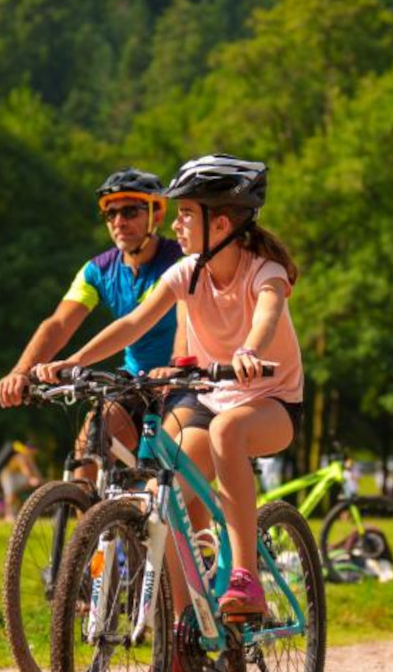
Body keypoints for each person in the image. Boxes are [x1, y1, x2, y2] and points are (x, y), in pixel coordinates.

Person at [37, 154, 304, 620]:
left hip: (269, 401)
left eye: (185, 214)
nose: (175, 224)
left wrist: (248, 352)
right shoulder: (186, 272)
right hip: (213, 399)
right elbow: (135, 323)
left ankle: (246, 577)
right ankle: (183, 624)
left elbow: (266, 314)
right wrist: (74, 361)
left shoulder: (265, 272)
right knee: (170, 491)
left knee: (227, 434)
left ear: (219, 224)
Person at [0, 168, 185, 485]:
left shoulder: (181, 261)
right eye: (110, 214)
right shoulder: (98, 270)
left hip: (183, 380)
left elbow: (138, 323)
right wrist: (22, 370)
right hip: (135, 382)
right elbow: (58, 323)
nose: (118, 222)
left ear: (155, 214)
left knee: (173, 485)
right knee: (87, 455)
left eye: (130, 211)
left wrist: (175, 366)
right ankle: (90, 533)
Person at [0, 440, 43, 521]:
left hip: (16, 476)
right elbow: (25, 470)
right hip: (7, 475)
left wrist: (40, 480)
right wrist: (31, 479)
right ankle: (8, 514)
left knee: (14, 495)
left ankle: (13, 513)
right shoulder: (21, 456)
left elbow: (35, 470)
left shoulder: (30, 458)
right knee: (10, 495)